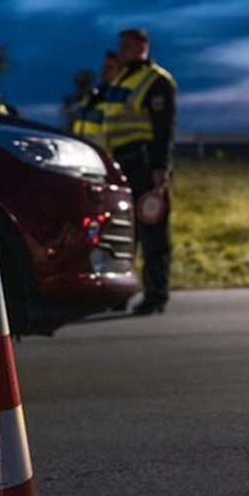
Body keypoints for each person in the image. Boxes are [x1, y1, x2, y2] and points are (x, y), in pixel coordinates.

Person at [99, 28, 177, 315]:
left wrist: (161, 169)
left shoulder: (156, 81)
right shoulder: (122, 79)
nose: (122, 50)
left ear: (144, 46)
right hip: (120, 163)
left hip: (145, 163)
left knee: (152, 229)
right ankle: (120, 293)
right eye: (121, 45)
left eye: (128, 45)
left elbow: (163, 130)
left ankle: (156, 295)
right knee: (123, 231)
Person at [71, 50, 122, 147]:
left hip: (105, 157)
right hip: (85, 154)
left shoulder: (120, 99)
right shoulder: (93, 97)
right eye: (104, 67)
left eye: (109, 68)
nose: (104, 71)